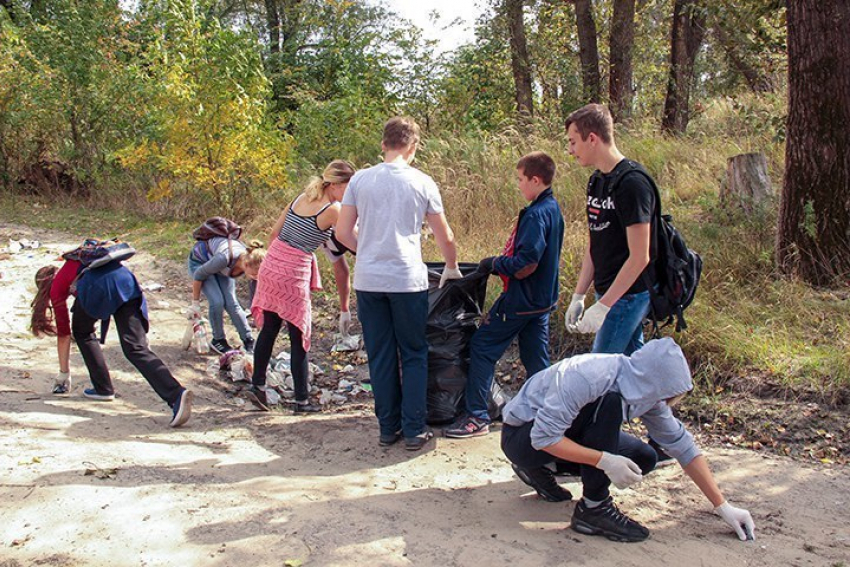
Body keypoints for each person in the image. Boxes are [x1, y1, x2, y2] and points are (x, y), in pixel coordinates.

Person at [500, 338, 756, 543]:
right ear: (655, 382)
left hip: (557, 436)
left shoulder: (647, 394)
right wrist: (604, 460)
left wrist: (722, 506)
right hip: (522, 439)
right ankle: (594, 508)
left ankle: (544, 469)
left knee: (644, 458)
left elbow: (683, 446)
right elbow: (543, 437)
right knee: (608, 403)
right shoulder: (590, 376)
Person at [336, 116, 461, 451]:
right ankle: (413, 428)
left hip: (368, 279)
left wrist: (370, 250)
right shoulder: (422, 182)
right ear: (413, 146)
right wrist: (450, 266)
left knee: (380, 354)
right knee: (414, 352)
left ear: (383, 145)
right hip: (406, 279)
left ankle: (387, 428)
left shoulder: (360, 180)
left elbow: (342, 232)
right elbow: (444, 235)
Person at [445, 151, 565, 439]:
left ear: (536, 180)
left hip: (521, 300)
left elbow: (526, 264)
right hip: (542, 300)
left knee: (483, 347)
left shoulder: (536, 215)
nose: (518, 185)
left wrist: (495, 264)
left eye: (521, 179)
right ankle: (551, 413)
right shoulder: (552, 207)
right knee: (536, 359)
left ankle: (476, 416)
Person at [246, 159, 356, 414]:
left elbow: (274, 234)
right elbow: (349, 238)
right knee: (299, 335)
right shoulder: (334, 209)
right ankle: (302, 401)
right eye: (348, 188)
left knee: (270, 329)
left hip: (272, 263)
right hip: (293, 269)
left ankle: (258, 386)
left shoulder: (300, 198)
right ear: (336, 185)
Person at [564, 103, 657, 356]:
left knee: (598, 371)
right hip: (605, 291)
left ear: (592, 138)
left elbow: (640, 257)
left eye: (573, 142)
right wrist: (579, 295)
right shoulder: (596, 181)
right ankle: (651, 396)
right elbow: (596, 242)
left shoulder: (633, 184)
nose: (570, 150)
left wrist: (604, 306)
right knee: (631, 366)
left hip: (627, 296)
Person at [73, 254, 193, 427]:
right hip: (126, 282)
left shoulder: (63, 276)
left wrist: (63, 373)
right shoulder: (89, 260)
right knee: (136, 348)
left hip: (99, 285)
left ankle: (103, 388)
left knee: (82, 332)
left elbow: (64, 318)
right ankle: (176, 395)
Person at [188, 237, 265, 354]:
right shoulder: (224, 258)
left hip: (219, 267)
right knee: (217, 301)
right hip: (200, 262)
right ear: (246, 264)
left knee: (232, 303)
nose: (255, 278)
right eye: (254, 275)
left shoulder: (251, 260)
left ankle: (248, 339)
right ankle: (218, 340)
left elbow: (255, 300)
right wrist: (195, 303)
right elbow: (198, 275)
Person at [30, 259, 82, 394]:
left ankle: (103, 387)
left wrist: (63, 374)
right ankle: (103, 387)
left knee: (84, 335)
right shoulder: (73, 267)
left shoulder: (57, 288)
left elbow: (64, 334)